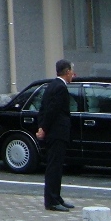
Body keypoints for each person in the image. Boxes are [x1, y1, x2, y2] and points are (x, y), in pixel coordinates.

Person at [36, 59, 75, 212]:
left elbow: (43, 109)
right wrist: (44, 128)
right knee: (54, 167)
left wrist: (41, 126)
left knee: (57, 166)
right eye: (72, 71)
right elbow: (52, 110)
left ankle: (56, 197)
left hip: (53, 132)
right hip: (57, 133)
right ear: (66, 72)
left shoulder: (51, 86)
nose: (73, 74)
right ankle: (51, 200)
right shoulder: (60, 88)